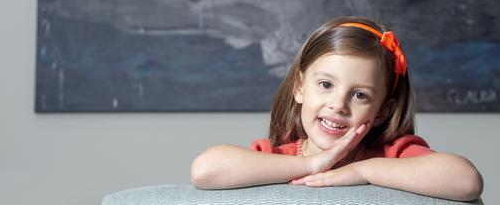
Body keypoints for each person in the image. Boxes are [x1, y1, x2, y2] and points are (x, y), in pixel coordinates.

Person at [191, 16, 483, 201]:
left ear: (382, 111)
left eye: (359, 95)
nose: (338, 105)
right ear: (299, 87)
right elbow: (205, 170)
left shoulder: (394, 156)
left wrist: (363, 172)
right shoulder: (276, 157)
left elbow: (466, 181)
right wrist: (310, 165)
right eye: (326, 85)